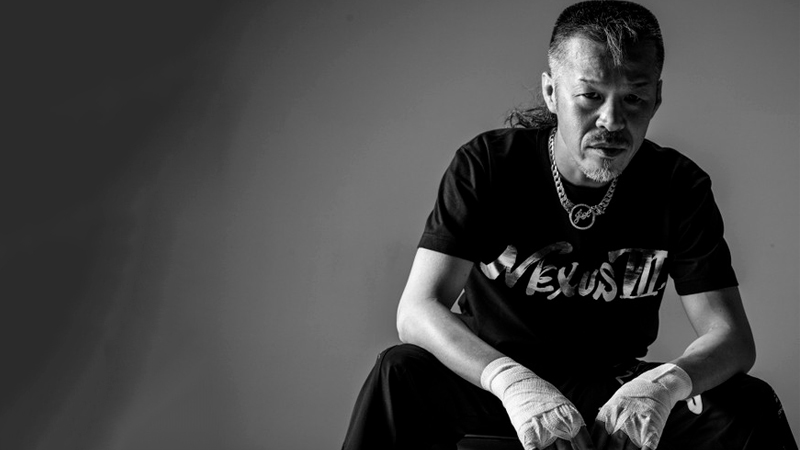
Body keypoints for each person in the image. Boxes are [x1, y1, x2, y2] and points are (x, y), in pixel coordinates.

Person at [341, 1, 798, 449]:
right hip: (493, 380)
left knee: (749, 403)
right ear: (551, 92)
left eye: (634, 98)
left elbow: (731, 338)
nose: (612, 121)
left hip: (612, 389)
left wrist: (661, 388)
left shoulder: (679, 185)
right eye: (590, 96)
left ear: (656, 99)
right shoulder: (489, 165)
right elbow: (417, 310)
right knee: (399, 371)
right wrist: (512, 382)